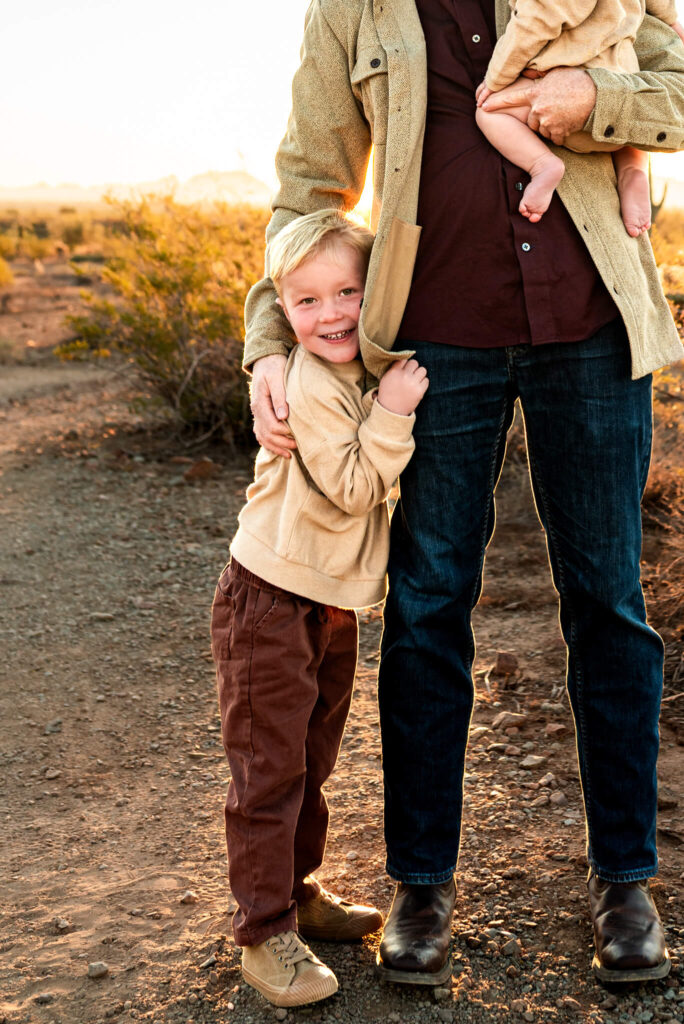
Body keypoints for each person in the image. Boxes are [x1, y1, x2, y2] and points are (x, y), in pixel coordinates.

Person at [245, 0, 684, 988]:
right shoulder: (349, 8)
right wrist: (271, 340)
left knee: (610, 605)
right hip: (432, 339)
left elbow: (677, 86)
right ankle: (422, 885)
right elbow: (307, 191)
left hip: (593, 325)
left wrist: (595, 101)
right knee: (428, 606)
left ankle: (625, 879)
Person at [211, 209, 429, 1007]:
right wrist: (395, 411)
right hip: (269, 600)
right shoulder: (309, 385)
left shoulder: (351, 370)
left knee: (311, 761)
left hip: (326, 605)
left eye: (348, 291)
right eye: (306, 302)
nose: (331, 313)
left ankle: (297, 894)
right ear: (280, 310)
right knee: (269, 770)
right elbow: (353, 488)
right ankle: (264, 933)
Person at [474, 0, 684, 235]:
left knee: (490, 110)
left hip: (564, 103)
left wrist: (495, 79)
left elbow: (536, 22)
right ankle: (632, 170)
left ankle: (542, 164)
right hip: (620, 95)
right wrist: (673, 21)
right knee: (629, 104)